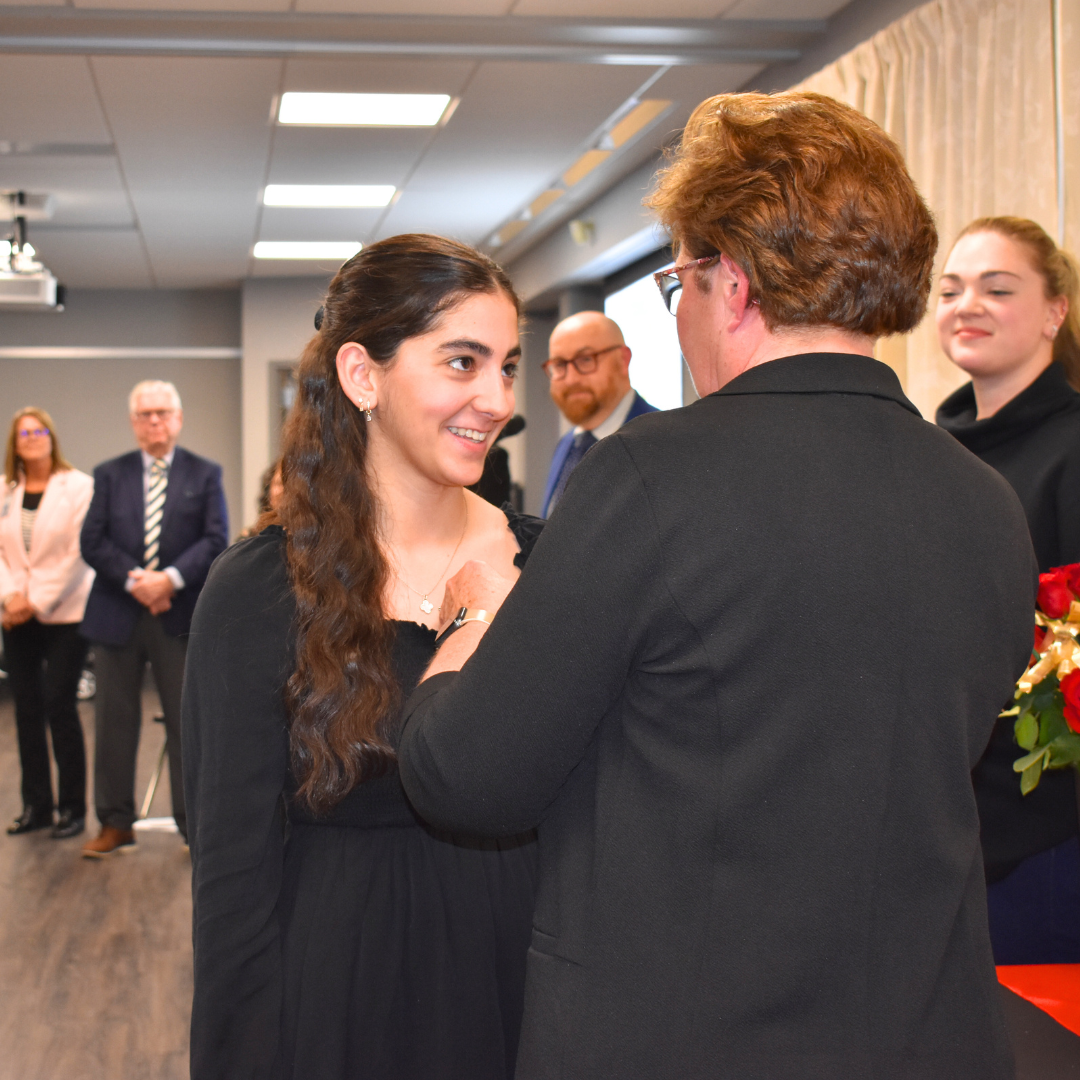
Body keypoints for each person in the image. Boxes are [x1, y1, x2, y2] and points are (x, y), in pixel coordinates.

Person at [395, 92, 1036, 1079]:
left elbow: (467, 778)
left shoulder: (651, 478)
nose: (681, 313)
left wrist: (474, 615)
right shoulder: (984, 501)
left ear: (729, 283)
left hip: (691, 1035)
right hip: (926, 1033)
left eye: (677, 284)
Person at [183, 234, 541, 1080]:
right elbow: (231, 879)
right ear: (361, 375)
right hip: (340, 1000)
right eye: (463, 362)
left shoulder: (549, 565)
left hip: (519, 990)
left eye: (507, 367)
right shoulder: (259, 589)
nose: (496, 399)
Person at [935, 216, 1080, 963]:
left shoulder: (1073, 448)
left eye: (997, 289)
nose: (967, 305)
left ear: (1055, 310)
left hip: (1043, 837)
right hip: (940, 824)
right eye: (950, 289)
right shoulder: (934, 449)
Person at [79, 380, 228, 856]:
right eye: (145, 414)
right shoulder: (109, 474)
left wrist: (168, 580)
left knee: (187, 723)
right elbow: (92, 541)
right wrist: (136, 581)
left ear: (178, 419)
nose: (154, 421)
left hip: (177, 613)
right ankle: (115, 823)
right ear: (133, 423)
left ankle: (192, 827)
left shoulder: (205, 473)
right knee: (113, 724)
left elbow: (215, 538)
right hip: (117, 614)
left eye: (162, 412)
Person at [0, 407, 94, 839]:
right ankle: (36, 806)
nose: (33, 438)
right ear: (15, 444)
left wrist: (34, 601)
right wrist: (10, 597)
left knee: (59, 704)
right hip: (14, 613)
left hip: (64, 613)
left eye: (40, 431)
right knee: (26, 708)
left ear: (51, 438)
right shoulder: (5, 489)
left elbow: (79, 553)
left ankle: (72, 809)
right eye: (25, 433)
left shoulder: (78, 487)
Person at [540, 311, 656, 516]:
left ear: (623, 360)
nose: (571, 379)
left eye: (586, 359)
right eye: (559, 364)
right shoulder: (567, 445)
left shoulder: (659, 444)